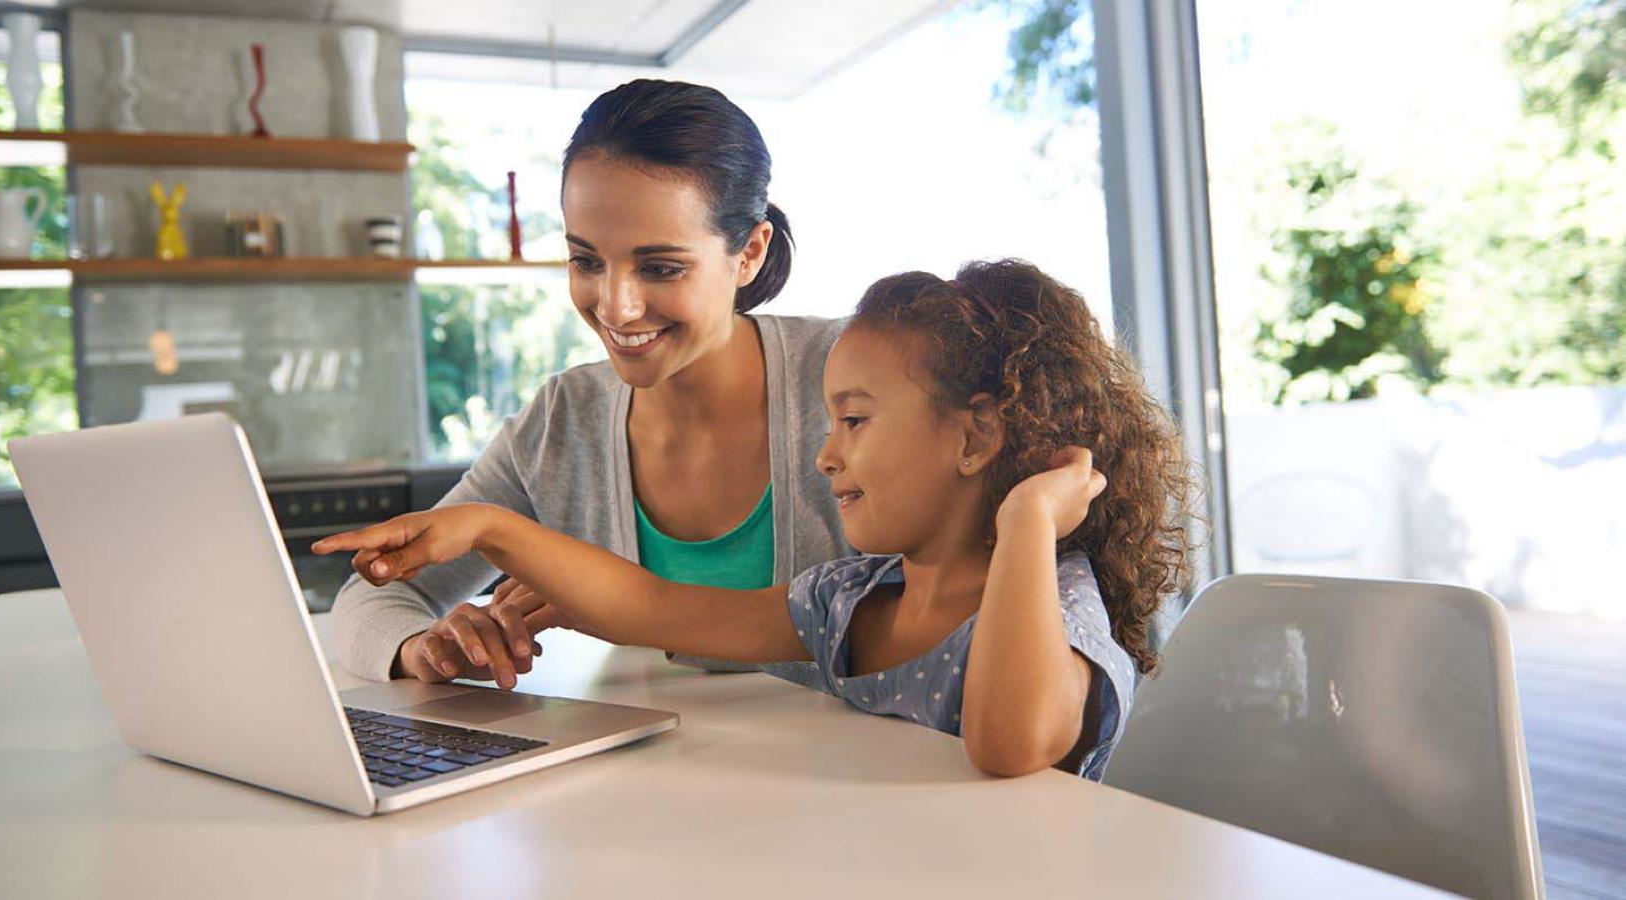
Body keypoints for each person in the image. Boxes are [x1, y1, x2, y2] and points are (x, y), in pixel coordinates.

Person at [315, 259, 1197, 779]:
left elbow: (1009, 746)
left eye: (853, 420)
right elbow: (655, 608)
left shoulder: (1057, 611)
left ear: (974, 438)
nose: (825, 455)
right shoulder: (851, 600)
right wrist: (488, 530)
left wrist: (1032, 524)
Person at [327, 78, 853, 686]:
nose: (616, 306)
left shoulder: (853, 378)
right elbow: (373, 596)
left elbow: (937, 607)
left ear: (750, 253)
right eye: (586, 261)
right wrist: (422, 647)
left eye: (660, 267)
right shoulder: (562, 420)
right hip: (656, 768)